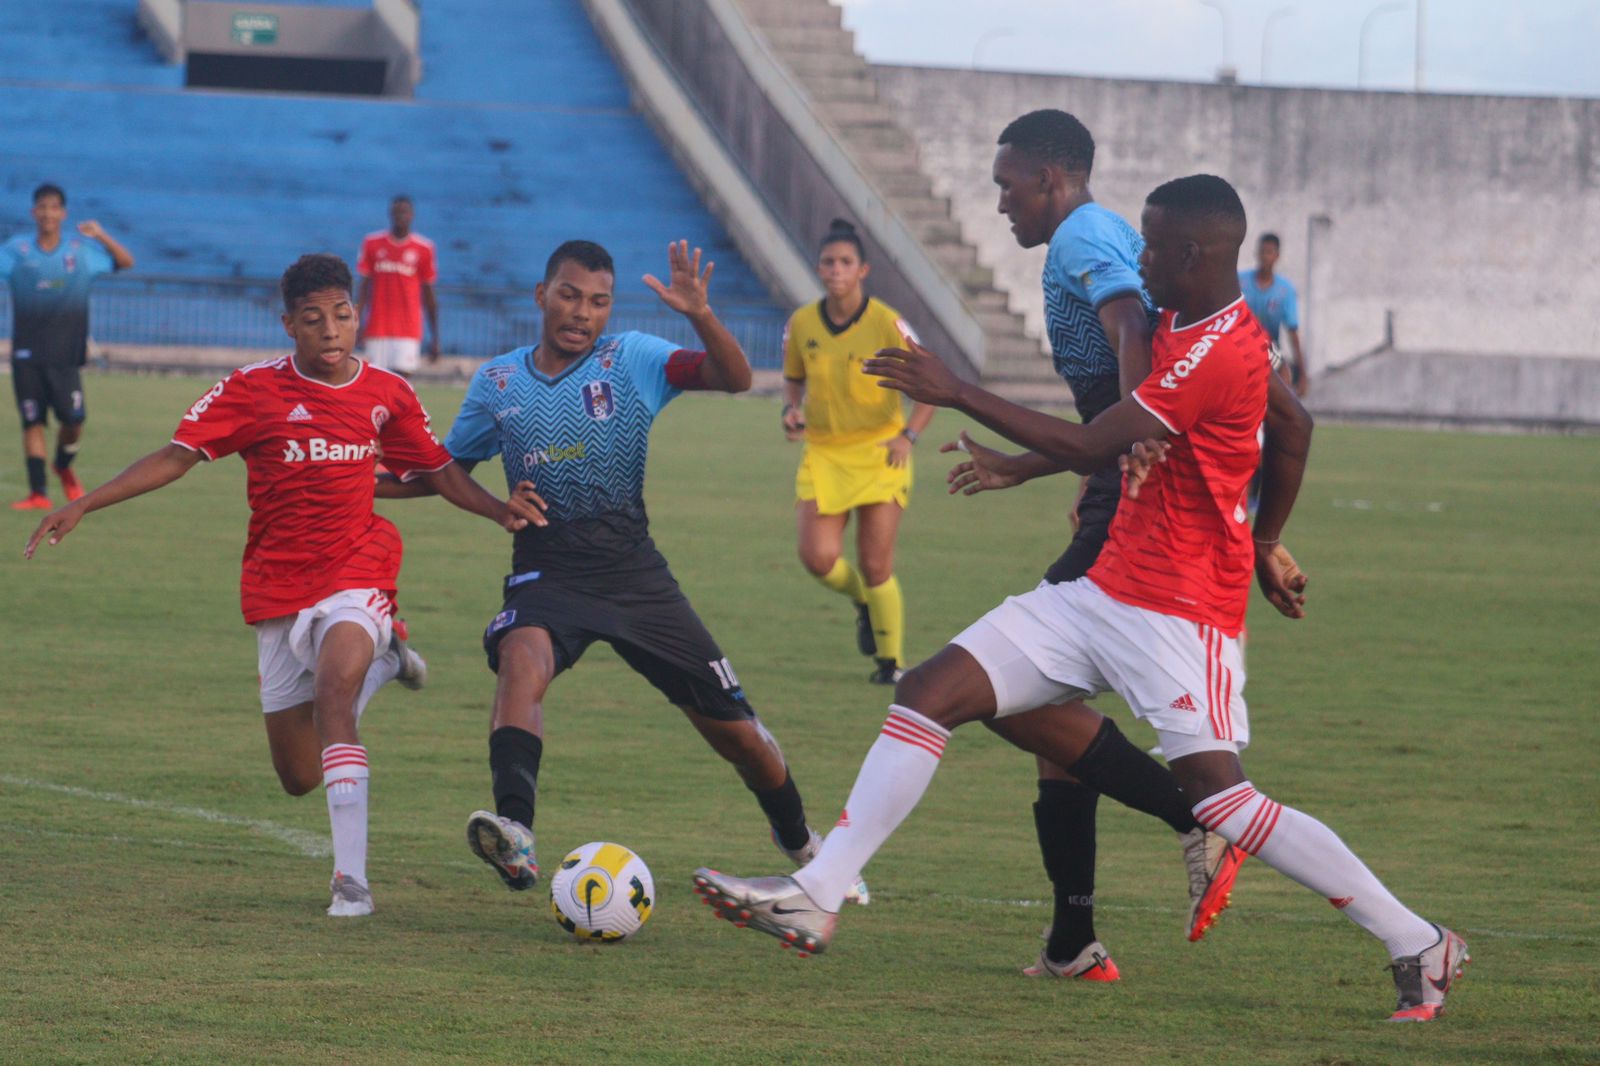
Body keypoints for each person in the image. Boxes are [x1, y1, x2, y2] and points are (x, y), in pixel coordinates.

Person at [693, 175, 1469, 1023]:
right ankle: (819, 890)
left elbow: (1114, 437)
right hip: (1105, 590)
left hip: (1181, 616)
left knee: (1223, 802)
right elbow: (1285, 428)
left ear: (1190, 254)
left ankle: (1417, 939)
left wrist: (956, 391)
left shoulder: (1225, 350)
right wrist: (1264, 537)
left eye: (1149, 244)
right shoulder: (1177, 317)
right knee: (931, 691)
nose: (1136, 258)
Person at [25, 254, 543, 918]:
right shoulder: (251, 391)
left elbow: (438, 472)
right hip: (278, 583)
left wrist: (500, 509)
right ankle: (387, 664)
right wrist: (85, 503)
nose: (331, 330)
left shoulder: (388, 392)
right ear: (289, 325)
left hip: (359, 567)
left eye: (342, 314)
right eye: (313, 319)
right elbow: (177, 455)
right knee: (300, 775)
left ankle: (350, 883)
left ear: (357, 316)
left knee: (333, 690)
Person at [377, 239, 867, 904]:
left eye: (599, 301)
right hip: (547, 572)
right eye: (570, 295)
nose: (583, 312)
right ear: (542, 296)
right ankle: (515, 828)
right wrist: (350, 478)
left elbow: (735, 377)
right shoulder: (498, 382)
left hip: (637, 578)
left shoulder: (633, 357)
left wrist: (700, 314)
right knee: (522, 657)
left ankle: (803, 845)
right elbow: (440, 472)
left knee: (739, 738)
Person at [949, 108, 1250, 980]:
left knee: (1003, 691)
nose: (1001, 203)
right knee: (1050, 722)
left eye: (1007, 185)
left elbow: (1129, 331)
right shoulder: (1107, 228)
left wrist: (1137, 432)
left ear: (1050, 177)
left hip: (1129, 498)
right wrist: (1025, 464)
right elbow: (1107, 411)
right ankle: (1071, 940)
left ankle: (1193, 813)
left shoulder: (1080, 238)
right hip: (1116, 485)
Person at [782, 219, 935, 684]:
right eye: (828, 262)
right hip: (825, 453)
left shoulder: (887, 322)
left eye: (845, 262)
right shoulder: (803, 322)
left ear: (863, 269)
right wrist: (791, 411)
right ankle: (863, 601)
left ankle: (891, 665)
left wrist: (907, 436)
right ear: (818, 268)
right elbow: (793, 380)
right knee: (818, 558)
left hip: (880, 453)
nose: (835, 270)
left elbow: (931, 384)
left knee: (875, 563)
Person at [2, 183, 134, 510]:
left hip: (65, 356)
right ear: (34, 212)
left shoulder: (80, 252)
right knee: (32, 422)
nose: (47, 213)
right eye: (42, 207)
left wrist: (100, 235)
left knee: (74, 421)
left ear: (63, 213)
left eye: (53, 207)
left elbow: (125, 262)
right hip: (26, 353)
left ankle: (62, 466)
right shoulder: (17, 251)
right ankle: (38, 493)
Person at [356, 195, 439, 378]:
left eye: (405, 212)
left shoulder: (424, 248)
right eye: (397, 212)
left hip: (408, 328)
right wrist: (357, 322)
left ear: (412, 215)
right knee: (375, 381)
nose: (401, 216)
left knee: (402, 382)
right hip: (377, 327)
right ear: (390, 214)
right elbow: (363, 289)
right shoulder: (372, 243)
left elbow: (429, 295)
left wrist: (435, 337)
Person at [1240, 233, 1306, 396]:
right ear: (1257, 254)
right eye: (1262, 252)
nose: (1265, 257)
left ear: (1277, 256)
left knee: (1283, 380)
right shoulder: (1240, 281)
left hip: (1269, 347)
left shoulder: (1285, 290)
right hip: (1240, 346)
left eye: (1269, 252)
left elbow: (1292, 331)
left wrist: (1302, 372)